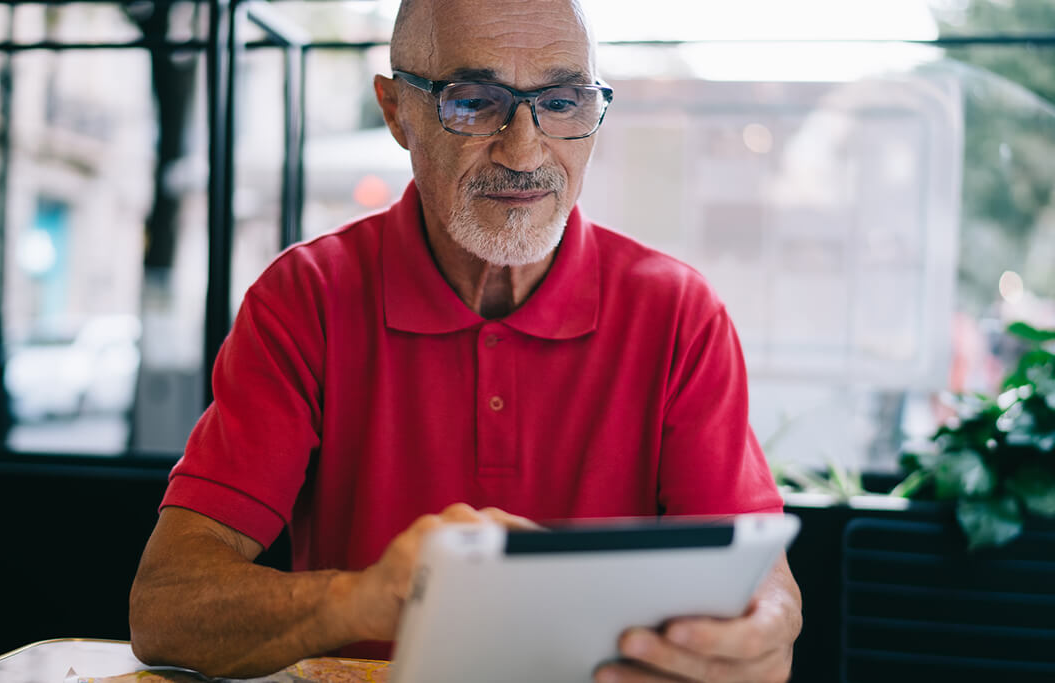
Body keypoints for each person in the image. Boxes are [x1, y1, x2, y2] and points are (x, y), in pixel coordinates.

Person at [128, 0, 802, 680]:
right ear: (397, 112)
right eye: (474, 101)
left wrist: (761, 632)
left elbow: (763, 579)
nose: (524, 149)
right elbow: (166, 604)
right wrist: (364, 598)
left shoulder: (679, 314)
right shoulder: (305, 298)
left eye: (564, 100)